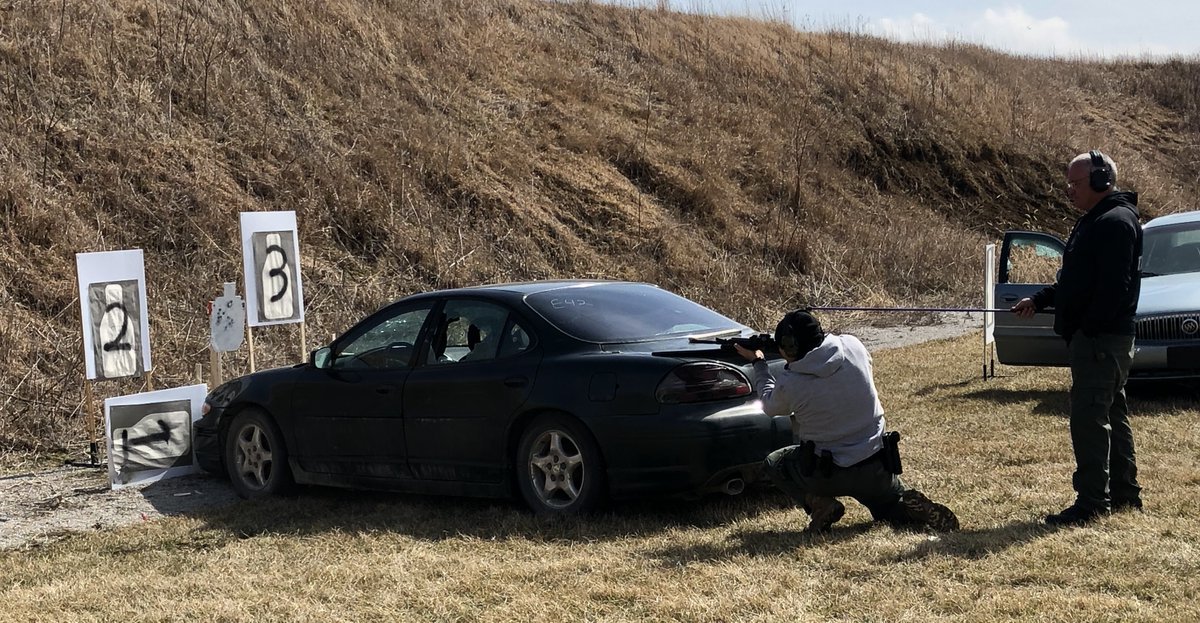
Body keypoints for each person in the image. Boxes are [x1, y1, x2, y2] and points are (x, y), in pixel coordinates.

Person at [734, 310, 959, 533]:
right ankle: (910, 508)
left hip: (827, 472)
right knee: (888, 506)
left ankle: (820, 504)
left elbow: (770, 405)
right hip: (876, 463)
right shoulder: (853, 346)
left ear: (789, 346)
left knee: (775, 462)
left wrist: (759, 363)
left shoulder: (793, 383)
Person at [1011, 150, 1143, 526]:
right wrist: (1040, 300)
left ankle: (1091, 504)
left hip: (1101, 340)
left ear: (1102, 180)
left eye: (1076, 183)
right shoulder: (1097, 220)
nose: (1070, 191)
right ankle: (1123, 496)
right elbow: (1076, 281)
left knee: (1088, 418)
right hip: (1100, 338)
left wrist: (1089, 328)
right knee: (1111, 415)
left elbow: (1114, 288)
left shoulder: (1115, 222)